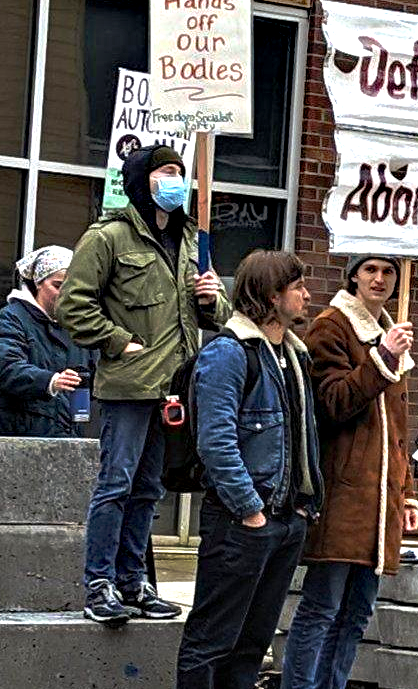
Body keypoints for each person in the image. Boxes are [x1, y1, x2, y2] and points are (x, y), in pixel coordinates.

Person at [60, 143, 227, 624]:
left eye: (179, 171)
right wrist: (117, 342)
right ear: (141, 180)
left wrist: (212, 300)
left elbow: (215, 314)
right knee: (116, 483)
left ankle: (135, 582)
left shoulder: (195, 241)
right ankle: (100, 583)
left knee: (150, 488)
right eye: (165, 172)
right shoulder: (108, 237)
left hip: (175, 387)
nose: (175, 180)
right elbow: (74, 305)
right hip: (129, 385)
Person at [175, 250, 321, 689]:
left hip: (284, 518)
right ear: (272, 296)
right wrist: (249, 510)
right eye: (297, 288)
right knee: (211, 641)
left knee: (253, 644)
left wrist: (299, 511)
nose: (307, 296)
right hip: (241, 523)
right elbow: (215, 442)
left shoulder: (293, 356)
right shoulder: (229, 353)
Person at [282, 256, 418, 689]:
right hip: (343, 495)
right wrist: (381, 358)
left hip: (380, 499)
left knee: (358, 613)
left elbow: (396, 426)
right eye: (370, 270)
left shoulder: (387, 332)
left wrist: (407, 491)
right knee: (322, 607)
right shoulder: (331, 326)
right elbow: (334, 403)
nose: (380, 279)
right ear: (353, 276)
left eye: (388, 271)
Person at [0, 246, 91, 438]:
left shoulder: (78, 327)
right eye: (58, 286)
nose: (65, 294)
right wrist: (51, 381)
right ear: (38, 282)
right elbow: (6, 367)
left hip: (70, 437)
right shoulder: (11, 318)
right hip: (19, 436)